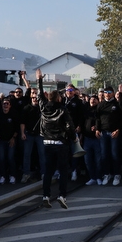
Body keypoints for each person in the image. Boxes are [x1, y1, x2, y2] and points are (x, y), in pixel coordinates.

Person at [34, 68, 72, 209]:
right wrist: (73, 138)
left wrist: (39, 80)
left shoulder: (43, 107)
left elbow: (39, 95)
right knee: (63, 170)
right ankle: (62, 195)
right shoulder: (62, 109)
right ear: (58, 98)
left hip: (47, 143)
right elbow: (70, 126)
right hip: (60, 143)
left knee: (48, 171)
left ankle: (45, 195)